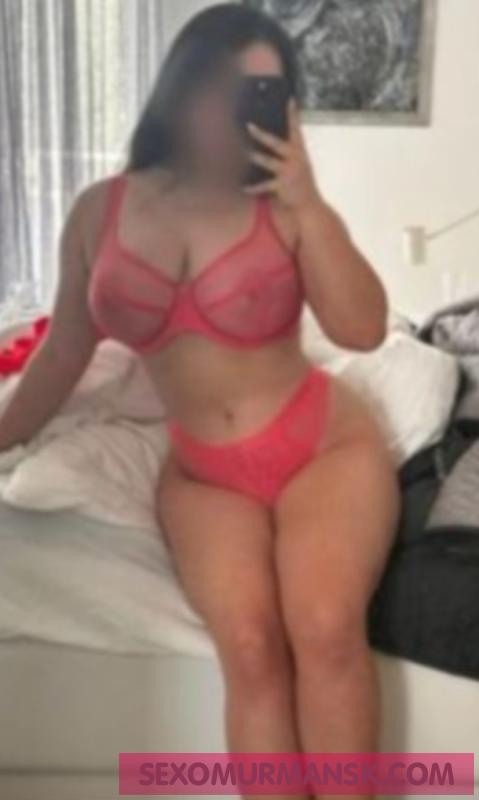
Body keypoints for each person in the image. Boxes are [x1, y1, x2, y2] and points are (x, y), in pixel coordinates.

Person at [0, 5, 401, 799]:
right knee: (248, 649)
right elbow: (63, 353)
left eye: (259, 91)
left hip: (321, 448)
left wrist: (309, 204)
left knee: (324, 628)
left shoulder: (284, 205)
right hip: (205, 475)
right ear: (179, 84)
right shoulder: (99, 210)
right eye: (220, 84)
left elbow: (361, 331)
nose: (232, 107)